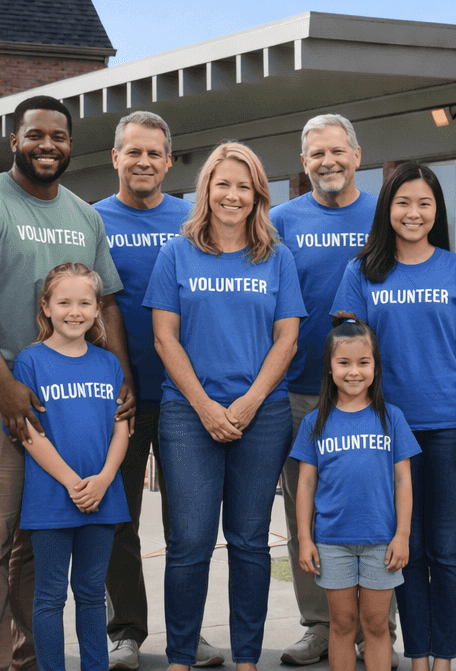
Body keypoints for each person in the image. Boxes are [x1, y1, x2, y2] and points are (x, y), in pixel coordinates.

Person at [0, 95, 133, 671]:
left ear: (71, 144)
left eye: (59, 136)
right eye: (36, 135)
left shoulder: (84, 215)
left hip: (75, 401)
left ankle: (29, 657)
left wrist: (121, 374)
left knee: (35, 544)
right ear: (14, 141)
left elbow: (110, 304)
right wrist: (1, 380)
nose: (48, 145)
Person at [144, 142, 305, 671]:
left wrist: (250, 402)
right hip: (188, 414)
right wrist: (207, 407)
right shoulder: (177, 253)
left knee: (250, 541)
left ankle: (247, 660)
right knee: (189, 540)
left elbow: (287, 339)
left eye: (243, 186)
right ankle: (181, 658)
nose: (232, 195)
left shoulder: (276, 257)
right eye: (223, 184)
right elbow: (165, 338)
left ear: (257, 194)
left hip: (263, 415)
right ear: (206, 191)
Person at [331, 163, 456, 671]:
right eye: (403, 202)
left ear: (437, 210)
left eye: (424, 203)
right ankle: (416, 655)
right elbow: (347, 352)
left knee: (444, 550)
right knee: (408, 549)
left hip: (447, 426)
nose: (414, 213)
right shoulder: (361, 272)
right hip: (385, 431)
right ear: (387, 209)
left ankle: (442, 657)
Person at [92, 112, 223, 671]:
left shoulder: (195, 219)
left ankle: (187, 635)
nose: (143, 161)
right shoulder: (89, 220)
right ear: (116, 157)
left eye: (154, 153)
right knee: (117, 519)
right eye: (133, 152)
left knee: (187, 526)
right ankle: (125, 631)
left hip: (185, 398)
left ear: (170, 161)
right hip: (113, 397)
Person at [270, 115, 381, 668]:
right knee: (306, 516)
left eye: (337, 151)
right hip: (300, 393)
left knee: (372, 512)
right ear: (304, 161)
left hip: (374, 394)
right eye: (316, 154)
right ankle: (319, 625)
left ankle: (373, 627)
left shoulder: (385, 214)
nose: (328, 162)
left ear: (358, 155)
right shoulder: (280, 220)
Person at [13, 262, 132, 671]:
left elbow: (122, 428)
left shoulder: (108, 364)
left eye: (85, 303)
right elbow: (30, 434)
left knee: (91, 593)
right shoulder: (30, 362)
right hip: (51, 498)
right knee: (49, 596)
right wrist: (71, 482)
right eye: (64, 302)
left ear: (98, 308)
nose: (74, 311)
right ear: (46, 306)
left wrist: (103, 480)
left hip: (103, 496)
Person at [291, 316, 417, 671]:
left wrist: (402, 535)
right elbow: (305, 484)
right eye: (343, 363)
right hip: (333, 542)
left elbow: (404, 481)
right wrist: (305, 538)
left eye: (363, 363)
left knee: (376, 625)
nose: (353, 372)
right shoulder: (314, 422)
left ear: (375, 367)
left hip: (381, 541)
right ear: (329, 368)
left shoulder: (390, 418)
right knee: (343, 624)